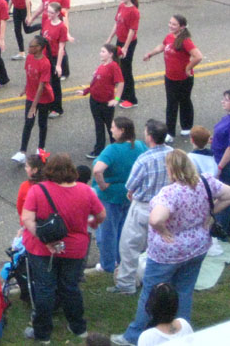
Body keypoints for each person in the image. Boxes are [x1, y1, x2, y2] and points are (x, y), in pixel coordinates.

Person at [112, 151, 230, 345]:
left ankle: (134, 336)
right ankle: (181, 332)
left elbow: (156, 218)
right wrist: (210, 213)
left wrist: (163, 230)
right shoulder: (206, 182)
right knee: (184, 290)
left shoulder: (170, 193)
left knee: (152, 292)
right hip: (197, 247)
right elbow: (228, 194)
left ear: (171, 169)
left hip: (167, 253)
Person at [20, 154, 106, 343]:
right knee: (70, 287)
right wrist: (93, 222)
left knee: (45, 288)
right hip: (74, 249)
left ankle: (42, 334)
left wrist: (44, 239)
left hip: (42, 250)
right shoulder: (85, 190)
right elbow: (101, 214)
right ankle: (78, 327)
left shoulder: (38, 190)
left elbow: (27, 218)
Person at [108, 120, 173, 295]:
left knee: (129, 246)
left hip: (144, 207)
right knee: (161, 245)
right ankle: (161, 282)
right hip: (166, 207)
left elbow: (130, 185)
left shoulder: (144, 159)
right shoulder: (173, 154)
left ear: (150, 137)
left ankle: (126, 285)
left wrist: (131, 192)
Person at [91, 117, 146, 275]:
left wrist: (102, 185)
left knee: (107, 233)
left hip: (111, 197)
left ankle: (107, 265)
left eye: (113, 127)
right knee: (124, 230)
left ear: (122, 131)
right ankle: (121, 259)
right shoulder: (140, 146)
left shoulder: (112, 150)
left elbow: (97, 170)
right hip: (129, 194)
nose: (111, 130)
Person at [143, 15, 203, 140]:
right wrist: (150, 54)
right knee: (171, 104)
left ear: (182, 27)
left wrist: (188, 68)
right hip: (170, 77)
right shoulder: (169, 37)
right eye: (170, 23)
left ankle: (185, 127)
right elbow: (162, 46)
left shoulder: (185, 41)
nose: (170, 25)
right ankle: (170, 132)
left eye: (174, 24)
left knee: (184, 101)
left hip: (184, 79)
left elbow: (198, 56)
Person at [78, 44, 124, 159]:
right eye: (101, 51)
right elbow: (95, 83)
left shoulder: (113, 66)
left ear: (111, 54)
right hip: (94, 100)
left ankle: (116, 149)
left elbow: (121, 82)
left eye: (103, 51)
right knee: (98, 126)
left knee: (110, 127)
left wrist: (117, 99)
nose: (100, 53)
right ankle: (99, 149)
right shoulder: (102, 66)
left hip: (106, 103)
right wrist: (85, 91)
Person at [13, 35, 53, 163]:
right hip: (31, 96)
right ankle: (22, 151)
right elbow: (29, 76)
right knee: (28, 123)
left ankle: (41, 149)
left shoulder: (45, 63)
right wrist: (25, 89)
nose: (29, 48)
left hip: (43, 99)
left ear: (39, 48)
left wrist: (34, 106)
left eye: (31, 46)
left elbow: (41, 87)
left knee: (42, 124)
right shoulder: (29, 58)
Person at [40, 2, 69, 117]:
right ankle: (47, 104)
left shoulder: (62, 27)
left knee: (55, 84)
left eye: (51, 13)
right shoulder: (47, 22)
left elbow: (61, 47)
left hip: (54, 57)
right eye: (48, 12)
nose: (49, 14)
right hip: (45, 56)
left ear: (57, 13)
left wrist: (58, 65)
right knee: (45, 82)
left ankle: (57, 108)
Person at [212, 90, 230, 231]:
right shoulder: (227, 117)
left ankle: (222, 229)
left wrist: (219, 167)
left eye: (226, 100)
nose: (222, 101)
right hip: (220, 160)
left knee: (225, 197)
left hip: (226, 166)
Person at [17, 152, 46, 219]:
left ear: (35, 170)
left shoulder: (25, 186)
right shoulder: (51, 183)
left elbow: (20, 208)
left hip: (30, 221)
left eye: (27, 166)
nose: (25, 168)